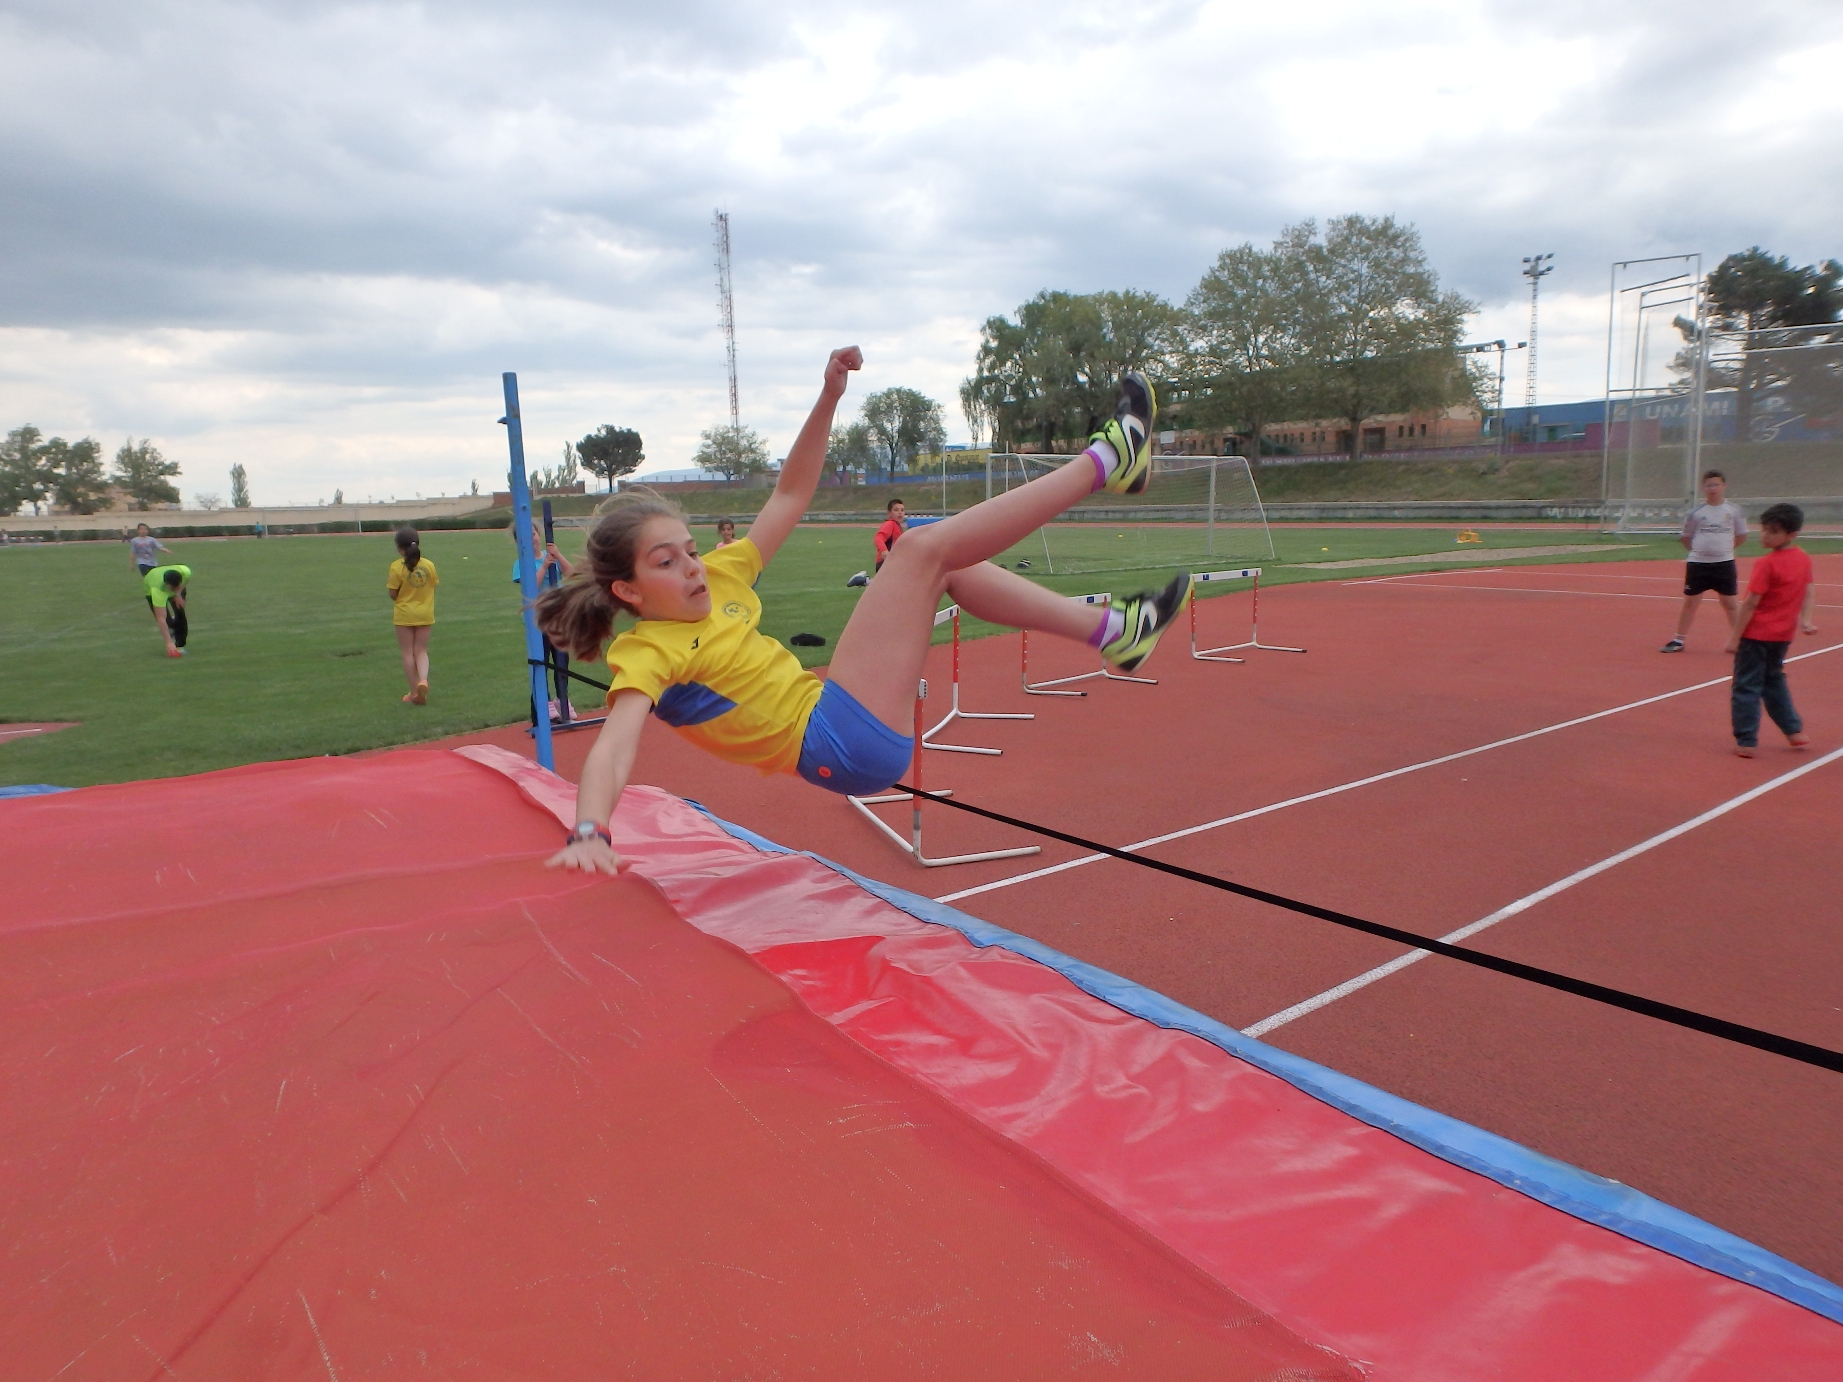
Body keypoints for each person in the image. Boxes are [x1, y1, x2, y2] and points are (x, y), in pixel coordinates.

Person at [538, 347, 1191, 873]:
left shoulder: (722, 575)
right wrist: (591, 826)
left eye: (687, 550)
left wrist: (828, 397)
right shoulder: (649, 651)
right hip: (836, 744)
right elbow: (615, 748)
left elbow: (791, 493)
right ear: (626, 590)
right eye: (665, 562)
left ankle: (1116, 632)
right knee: (917, 552)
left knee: (948, 563)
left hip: (839, 718)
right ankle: (1106, 461)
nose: (691, 567)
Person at [1724, 502, 1817, 757]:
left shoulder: (1767, 564)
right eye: (1764, 530)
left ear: (1791, 535)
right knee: (1774, 680)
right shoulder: (1803, 558)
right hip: (1782, 636)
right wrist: (1806, 620)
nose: (1765, 535)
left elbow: (1751, 602)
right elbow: (1809, 590)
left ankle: (1746, 739)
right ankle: (1793, 730)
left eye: (1773, 532)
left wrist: (1734, 637)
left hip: (1756, 635)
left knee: (1746, 685)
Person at [1662, 470, 1747, 652]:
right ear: (1703, 488)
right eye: (1709, 485)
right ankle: (1679, 640)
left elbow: (1741, 535)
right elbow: (1686, 537)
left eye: (1716, 484)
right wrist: (1699, 552)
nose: (1712, 488)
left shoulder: (1733, 511)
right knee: (1691, 602)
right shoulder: (1696, 513)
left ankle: (1741, 641)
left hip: (1724, 563)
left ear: (1723, 486)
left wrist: (1724, 550)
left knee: (1730, 603)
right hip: (1698, 564)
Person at [387, 527, 438, 704]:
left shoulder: (396, 567)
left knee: (407, 653)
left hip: (404, 614)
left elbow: (393, 593)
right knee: (421, 650)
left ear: (400, 548)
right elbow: (433, 585)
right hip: (425, 612)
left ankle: (414, 692)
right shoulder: (429, 565)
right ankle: (423, 679)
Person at [144, 563, 191, 658]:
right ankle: (171, 634)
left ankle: (180, 645)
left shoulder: (185, 571)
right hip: (153, 587)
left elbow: (185, 582)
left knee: (180, 612)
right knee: (166, 620)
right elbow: (160, 618)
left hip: (176, 587)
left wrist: (177, 594)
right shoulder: (157, 590)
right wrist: (168, 642)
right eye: (171, 589)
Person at [874, 497, 906, 574]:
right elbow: (878, 537)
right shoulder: (890, 524)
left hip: (893, 562)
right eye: (896, 510)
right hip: (885, 563)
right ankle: (865, 581)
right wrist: (884, 551)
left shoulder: (897, 526)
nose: (900, 512)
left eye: (902, 510)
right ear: (889, 513)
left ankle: (866, 581)